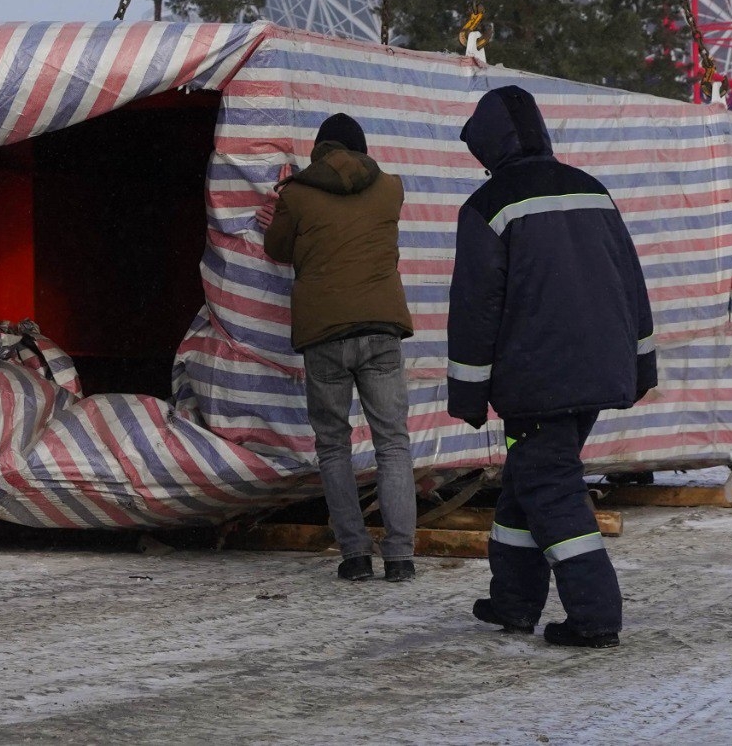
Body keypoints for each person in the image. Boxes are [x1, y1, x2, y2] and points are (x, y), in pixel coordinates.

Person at [446, 85, 656, 649]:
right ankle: (513, 602)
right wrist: (642, 363)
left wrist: (467, 393)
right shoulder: (593, 190)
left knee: (549, 487)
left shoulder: (489, 206)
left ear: (488, 145)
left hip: (537, 379)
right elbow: (631, 283)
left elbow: (475, 307)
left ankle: (595, 614)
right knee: (526, 481)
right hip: (598, 372)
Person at [263, 111, 417, 583]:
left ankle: (354, 557)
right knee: (392, 443)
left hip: (324, 335)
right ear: (362, 149)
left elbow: (277, 248)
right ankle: (400, 558)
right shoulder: (391, 187)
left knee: (333, 446)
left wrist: (280, 212)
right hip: (381, 328)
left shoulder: (298, 195)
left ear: (319, 152)